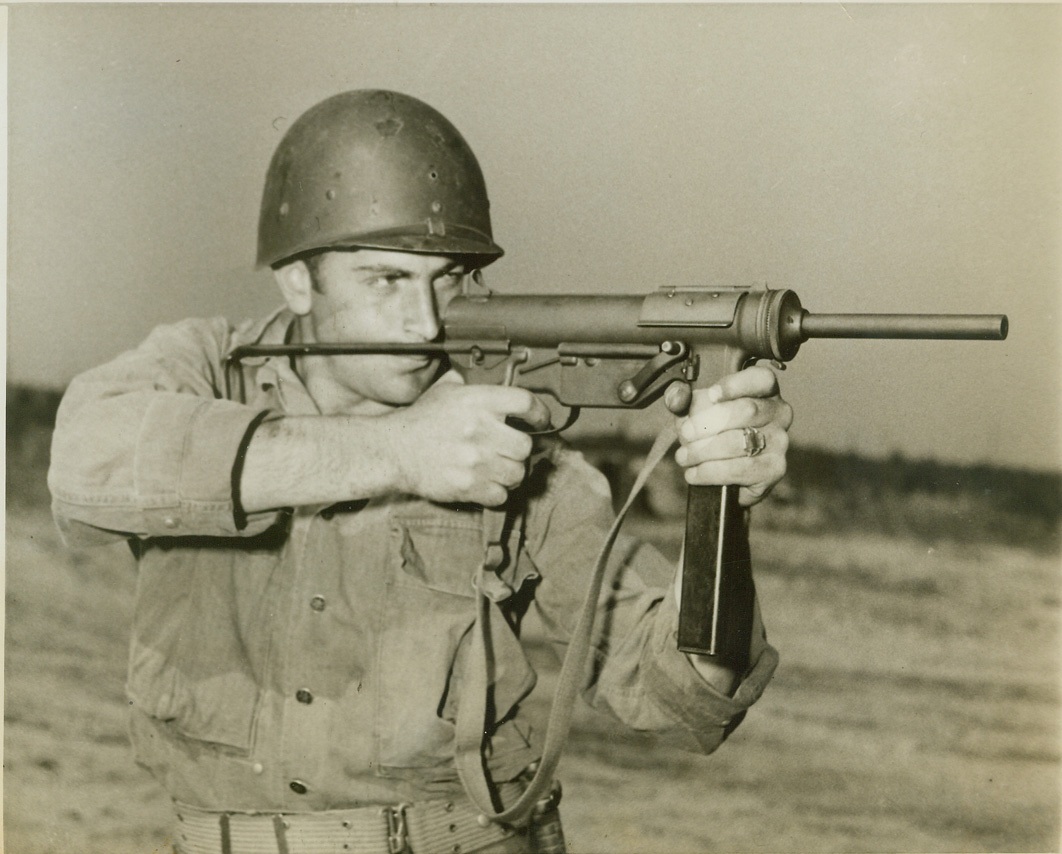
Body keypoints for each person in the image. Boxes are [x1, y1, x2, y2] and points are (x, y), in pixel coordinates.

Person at [48, 89, 793, 854]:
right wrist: (399, 452)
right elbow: (84, 463)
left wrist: (722, 498)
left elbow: (682, 692)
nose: (427, 323)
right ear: (297, 280)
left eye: (448, 279)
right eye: (386, 280)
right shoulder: (205, 369)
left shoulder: (503, 437)